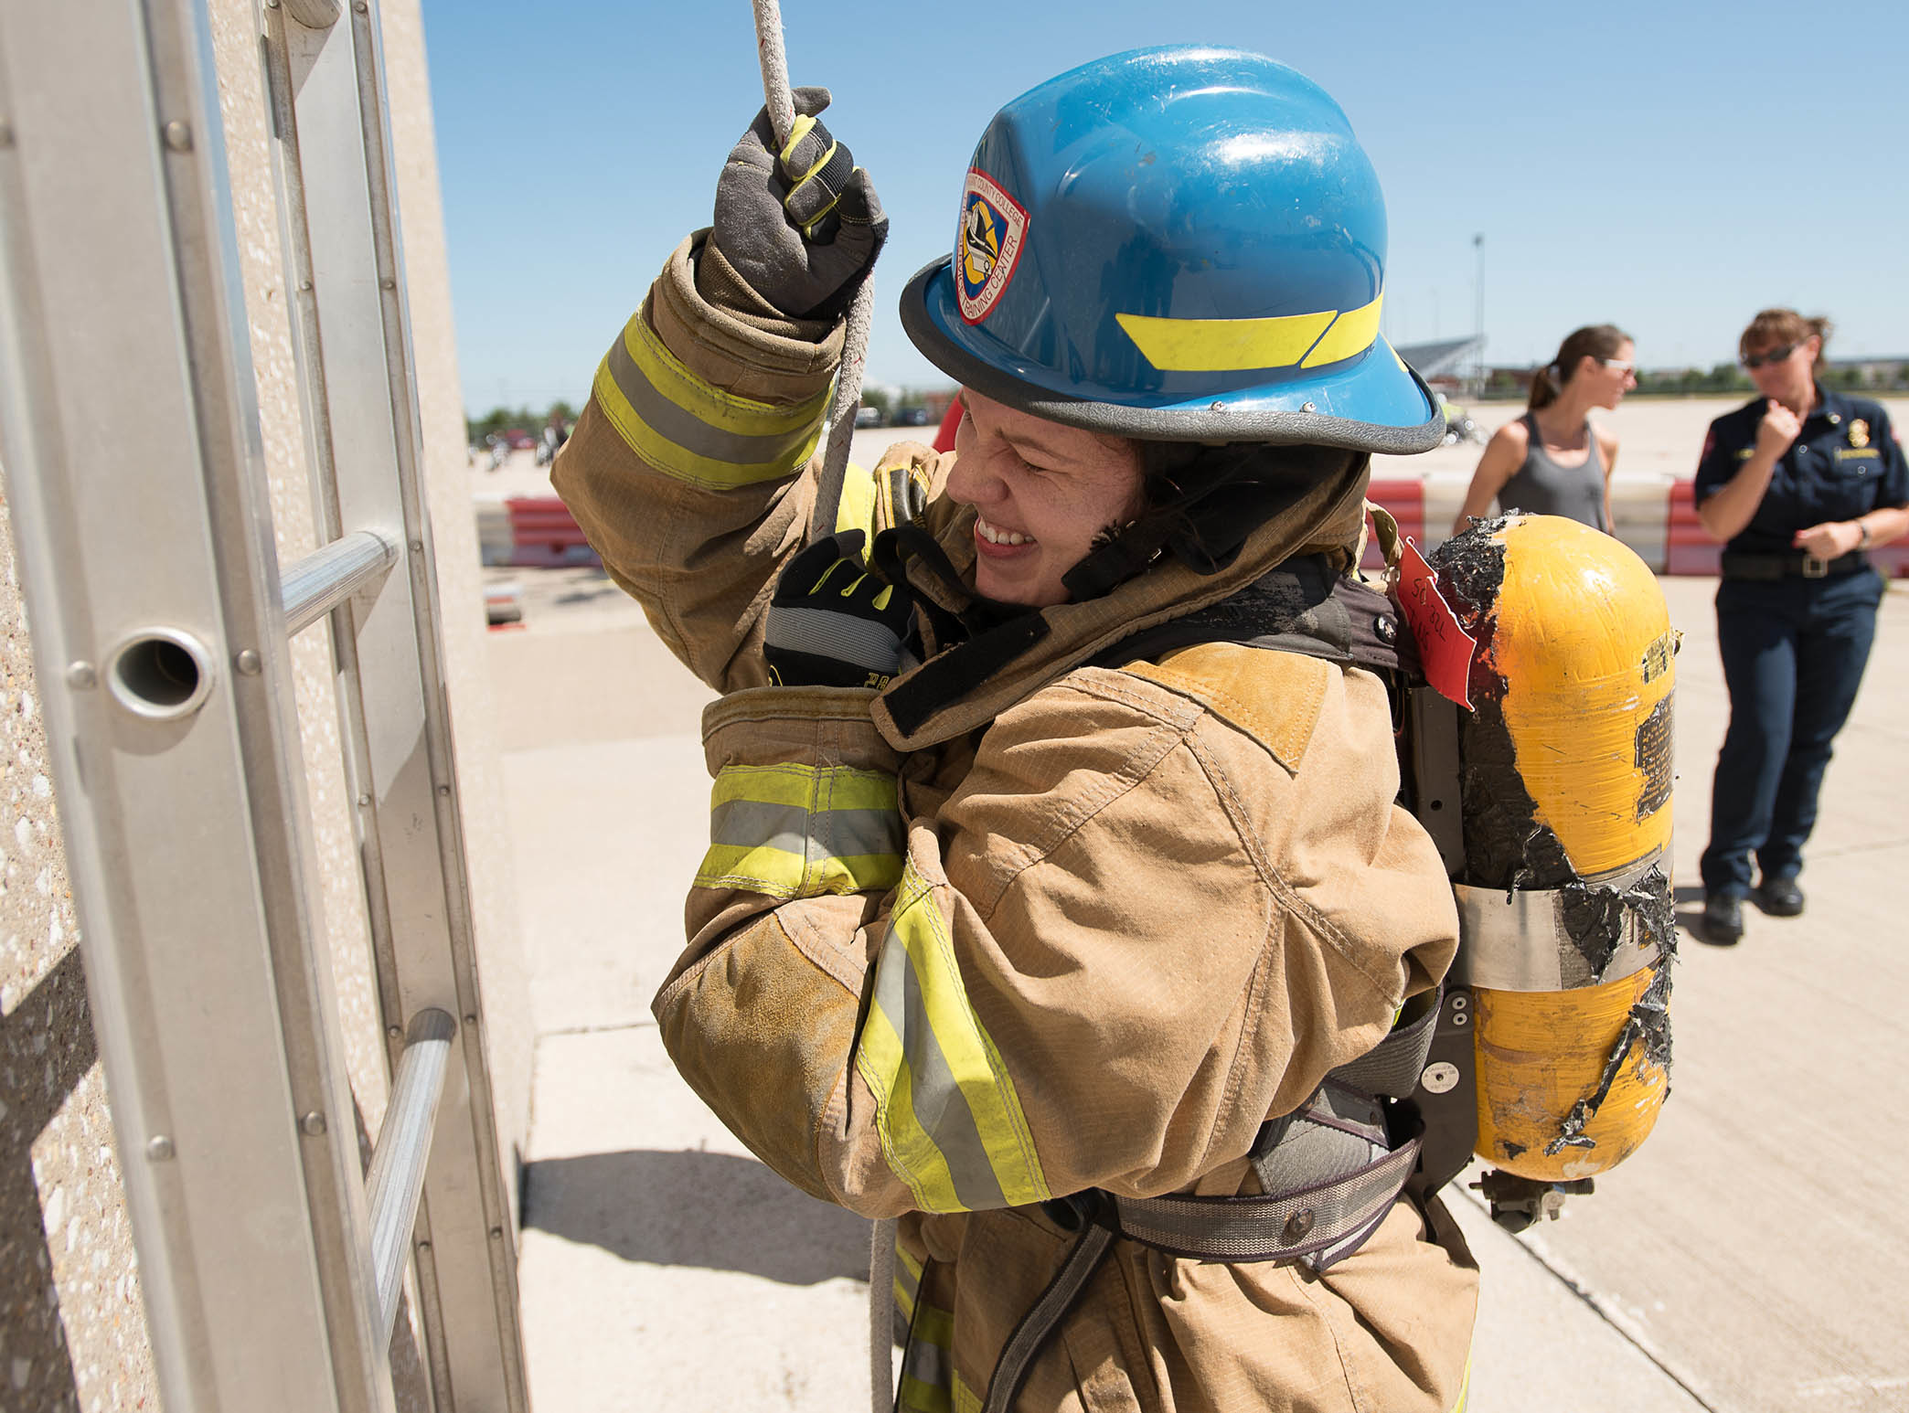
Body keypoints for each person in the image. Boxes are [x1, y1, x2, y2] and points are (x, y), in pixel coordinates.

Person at [554, 48, 1476, 1411]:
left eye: (1032, 453)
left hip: (1178, 1364)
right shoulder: (1077, 571)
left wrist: (814, 744)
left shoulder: (1191, 775)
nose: (966, 474)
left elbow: (850, 1100)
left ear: (1214, 481)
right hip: (1035, 1304)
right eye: (970, 413)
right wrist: (745, 325)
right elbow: (693, 547)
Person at [1693, 309, 1909, 944]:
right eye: (1753, 360)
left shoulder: (1865, 419)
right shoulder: (1734, 429)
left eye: (1776, 355)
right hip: (1760, 600)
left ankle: (1783, 865)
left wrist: (1856, 532)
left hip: (1844, 595)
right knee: (1761, 733)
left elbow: (1903, 507)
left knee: (1814, 738)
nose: (1765, 369)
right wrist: (1766, 452)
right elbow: (1717, 525)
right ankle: (1728, 879)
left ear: (1811, 349)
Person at [1450, 324, 1636, 535]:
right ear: (1589, 367)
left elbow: (1606, 530)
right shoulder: (1513, 440)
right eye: (1626, 370)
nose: (1632, 383)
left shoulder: (1606, 443)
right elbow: (1464, 529)